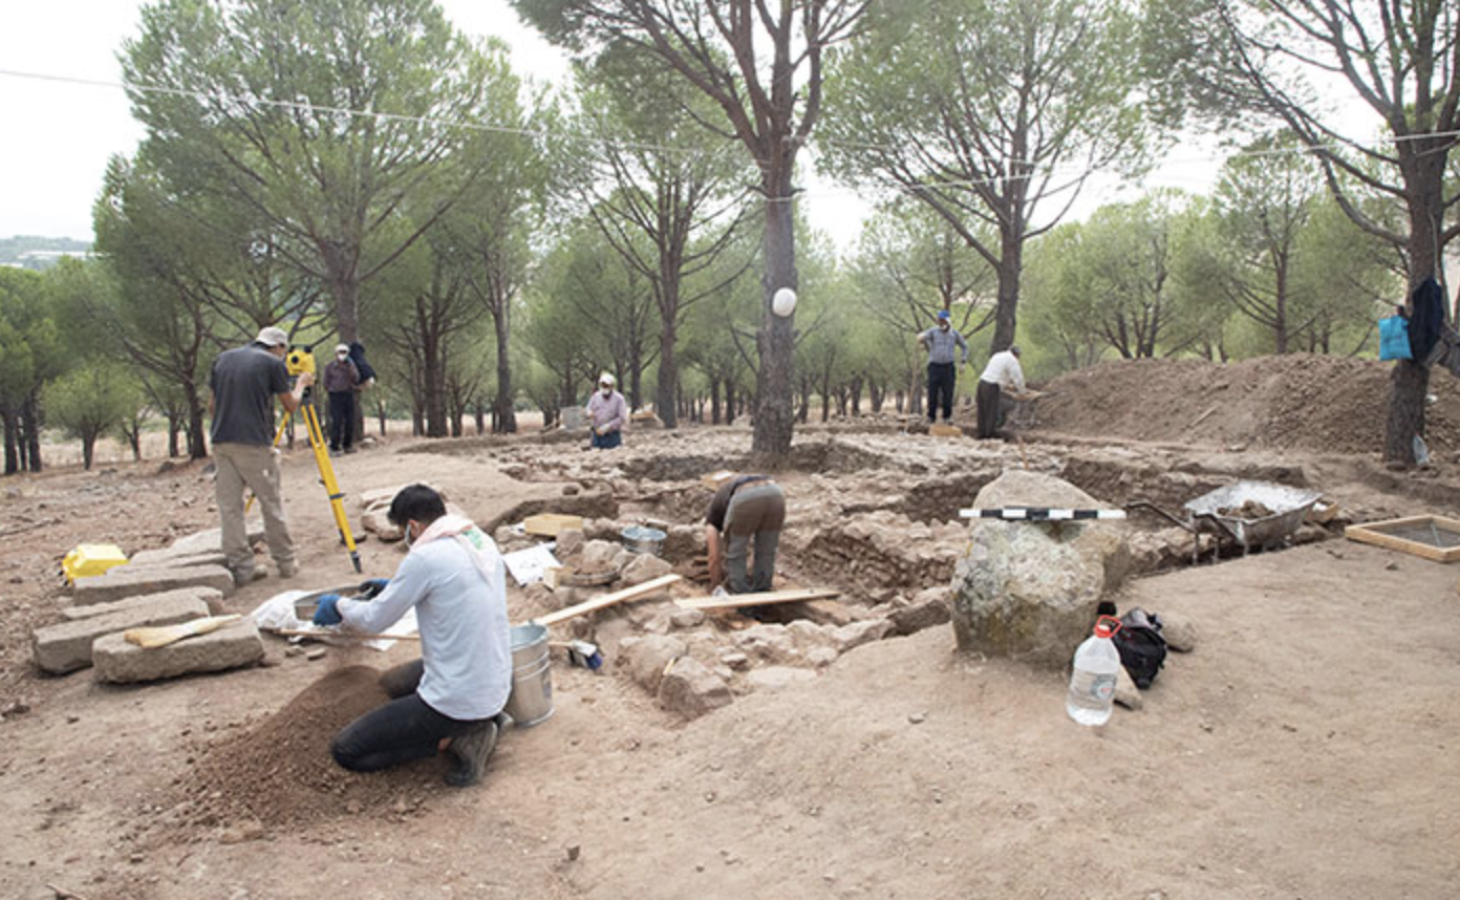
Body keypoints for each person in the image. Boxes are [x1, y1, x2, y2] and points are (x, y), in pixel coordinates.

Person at [312, 484, 512, 788]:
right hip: (493, 681)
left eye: (404, 530)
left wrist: (337, 605)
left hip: (456, 700)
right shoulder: (477, 540)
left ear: (415, 526)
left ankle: (458, 738)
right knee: (391, 685)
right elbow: (448, 587)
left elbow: (373, 620)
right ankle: (488, 717)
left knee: (346, 750)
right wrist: (394, 587)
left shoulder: (425, 558)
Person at [209, 325, 313, 586]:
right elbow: (290, 404)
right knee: (270, 503)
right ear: (279, 347)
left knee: (230, 507)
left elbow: (212, 405)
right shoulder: (272, 364)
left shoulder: (223, 359)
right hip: (253, 443)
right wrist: (300, 384)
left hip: (221, 440)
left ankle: (242, 568)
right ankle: (286, 562)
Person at [705, 475, 786, 596]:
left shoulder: (712, 519)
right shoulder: (727, 492)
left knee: (735, 553)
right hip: (776, 493)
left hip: (746, 496)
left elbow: (714, 557)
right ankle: (763, 593)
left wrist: (716, 585)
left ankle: (741, 597)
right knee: (766, 551)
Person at [916, 310, 969, 424]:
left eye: (943, 321)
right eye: (939, 321)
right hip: (934, 366)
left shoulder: (954, 334)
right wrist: (920, 339)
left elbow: (965, 347)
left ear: (948, 321)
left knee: (948, 393)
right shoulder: (933, 331)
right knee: (932, 392)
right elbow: (922, 337)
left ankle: (947, 417)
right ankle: (931, 417)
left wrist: (963, 362)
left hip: (948, 367)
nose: (941, 323)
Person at [975, 345, 1027, 440]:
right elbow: (1018, 378)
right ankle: (990, 435)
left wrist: (1006, 384)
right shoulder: (1012, 360)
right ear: (1017, 355)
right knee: (992, 411)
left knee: (982, 411)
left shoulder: (998, 355)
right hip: (992, 386)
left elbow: (997, 372)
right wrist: (1022, 392)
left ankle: (981, 433)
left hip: (982, 383)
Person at [322, 343, 361, 455]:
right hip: (335, 395)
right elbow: (325, 382)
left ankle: (347, 445)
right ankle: (334, 446)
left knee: (349, 421)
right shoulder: (330, 367)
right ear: (336, 354)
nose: (342, 355)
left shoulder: (350, 366)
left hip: (348, 394)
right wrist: (331, 390)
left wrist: (350, 368)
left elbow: (356, 378)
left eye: (344, 352)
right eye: (340, 352)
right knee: (336, 421)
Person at [586, 372, 627, 449]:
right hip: (597, 435)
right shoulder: (596, 396)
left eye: (606, 385)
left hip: (612, 436)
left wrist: (608, 426)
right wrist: (589, 413)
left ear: (612, 386)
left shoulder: (619, 399)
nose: (604, 387)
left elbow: (622, 418)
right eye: (602, 385)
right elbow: (589, 408)